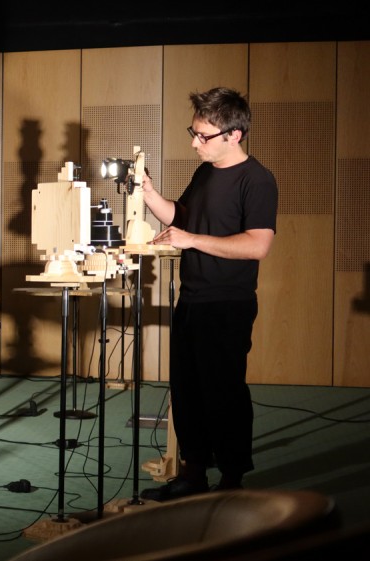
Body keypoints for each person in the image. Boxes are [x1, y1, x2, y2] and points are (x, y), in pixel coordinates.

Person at [140, 87, 278, 501]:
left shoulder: (257, 180)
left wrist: (192, 240)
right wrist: (149, 194)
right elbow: (182, 218)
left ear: (234, 135)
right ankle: (193, 474)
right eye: (194, 133)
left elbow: (258, 245)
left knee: (224, 393)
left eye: (203, 135)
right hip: (192, 298)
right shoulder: (204, 173)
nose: (194, 143)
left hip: (228, 303)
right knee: (187, 392)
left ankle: (232, 480)